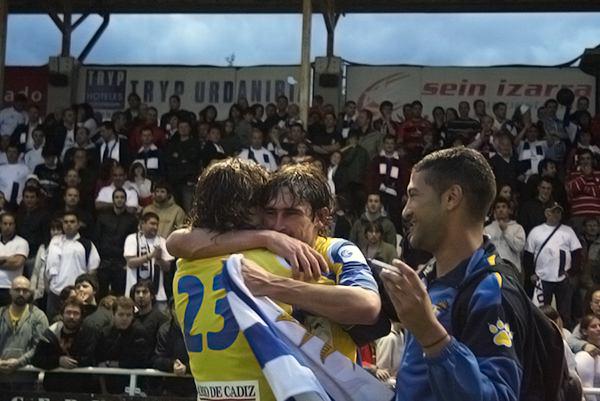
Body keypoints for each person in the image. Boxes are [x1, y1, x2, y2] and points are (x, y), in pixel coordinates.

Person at [168, 159, 374, 401]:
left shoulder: (183, 264)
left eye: (290, 213)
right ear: (248, 208)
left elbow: (176, 241)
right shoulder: (280, 262)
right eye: (268, 211)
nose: (277, 226)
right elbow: (364, 309)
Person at [379, 147, 527, 401]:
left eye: (414, 196)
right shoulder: (427, 279)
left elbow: (500, 396)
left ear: (451, 198)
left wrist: (431, 335)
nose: (406, 211)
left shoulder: (492, 288)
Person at [525, 202, 582, 328]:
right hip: (542, 278)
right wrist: (531, 274)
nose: (556, 214)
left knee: (564, 312)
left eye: (559, 212)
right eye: (554, 211)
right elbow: (528, 255)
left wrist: (572, 272)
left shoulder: (568, 231)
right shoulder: (536, 231)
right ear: (547, 213)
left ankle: (565, 336)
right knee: (542, 312)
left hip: (562, 279)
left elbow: (577, 253)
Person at [32, 296, 98, 393]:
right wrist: (58, 361)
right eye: (68, 312)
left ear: (81, 316)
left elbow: (87, 359)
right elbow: (37, 359)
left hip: (81, 390)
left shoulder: (89, 333)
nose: (71, 317)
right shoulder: (51, 332)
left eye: (76, 313)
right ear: (62, 314)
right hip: (54, 390)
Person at [45, 212, 100, 319]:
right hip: (54, 292)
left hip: (76, 294)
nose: (68, 224)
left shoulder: (87, 244)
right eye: (65, 222)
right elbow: (47, 264)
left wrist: (83, 293)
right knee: (52, 324)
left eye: (72, 222)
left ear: (78, 224)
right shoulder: (54, 241)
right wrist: (48, 286)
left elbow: (92, 271)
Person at [96, 296, 153, 393]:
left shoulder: (139, 332)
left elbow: (140, 362)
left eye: (128, 315)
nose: (125, 318)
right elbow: (98, 360)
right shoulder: (105, 332)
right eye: (121, 314)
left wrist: (111, 364)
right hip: (110, 385)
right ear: (113, 314)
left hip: (134, 385)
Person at [0, 276, 48, 390]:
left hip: (26, 378)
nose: (21, 293)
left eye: (25, 290)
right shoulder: (0, 313)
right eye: (17, 289)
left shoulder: (38, 316)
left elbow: (40, 346)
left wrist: (19, 362)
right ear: (10, 291)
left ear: (30, 293)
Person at [94, 188, 138, 298]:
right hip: (104, 261)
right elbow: (97, 238)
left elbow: (134, 241)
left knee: (120, 294)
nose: (119, 200)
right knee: (101, 294)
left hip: (121, 263)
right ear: (113, 200)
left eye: (122, 197)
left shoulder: (132, 219)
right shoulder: (102, 217)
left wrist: (127, 262)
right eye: (117, 197)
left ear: (125, 200)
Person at [124, 212, 173, 306]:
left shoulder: (162, 241)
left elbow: (167, 267)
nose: (155, 227)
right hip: (134, 293)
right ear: (143, 224)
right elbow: (130, 263)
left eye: (157, 224)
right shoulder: (132, 239)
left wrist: (159, 259)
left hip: (158, 295)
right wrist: (150, 256)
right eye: (152, 223)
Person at [153, 299, 196, 396]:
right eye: (177, 308)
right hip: (170, 388)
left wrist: (187, 368)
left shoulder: (198, 329)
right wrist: (172, 365)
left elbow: (204, 359)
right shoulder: (164, 331)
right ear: (171, 311)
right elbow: (157, 359)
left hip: (196, 387)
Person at [484, 197, 526, 274]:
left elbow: (518, 247)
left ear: (509, 210)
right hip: (493, 270)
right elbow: (484, 250)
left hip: (512, 271)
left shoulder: (517, 228)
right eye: (498, 207)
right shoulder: (487, 229)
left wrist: (505, 231)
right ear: (494, 211)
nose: (501, 210)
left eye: (504, 207)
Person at [0, 213, 29, 306]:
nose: (7, 226)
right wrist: (7, 259)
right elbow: (12, 261)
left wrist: (10, 260)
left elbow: (17, 263)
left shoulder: (22, 242)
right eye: (5, 223)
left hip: (11, 288)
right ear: (0, 224)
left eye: (10, 224)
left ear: (14, 225)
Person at [130, 279, 167, 351]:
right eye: (137, 292)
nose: (141, 295)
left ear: (152, 296)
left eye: (144, 292)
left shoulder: (161, 319)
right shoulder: (131, 318)